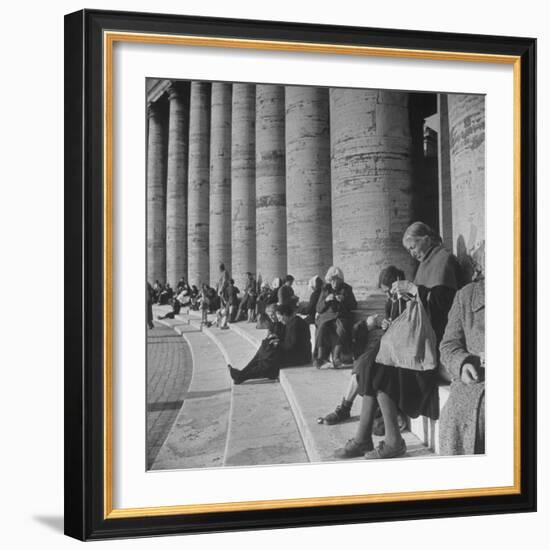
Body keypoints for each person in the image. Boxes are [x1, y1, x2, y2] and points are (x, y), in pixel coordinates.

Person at [335, 222, 461, 459]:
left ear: (427, 238)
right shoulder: (424, 264)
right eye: (409, 250)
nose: (412, 253)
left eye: (413, 247)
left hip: (431, 344)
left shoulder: (445, 260)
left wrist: (414, 290)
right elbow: (422, 300)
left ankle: (391, 441)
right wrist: (408, 294)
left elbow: (446, 305)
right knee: (372, 363)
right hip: (417, 339)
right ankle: (366, 438)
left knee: (380, 368)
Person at [319, 266, 406, 425]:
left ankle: (345, 409)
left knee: (365, 364)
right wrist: (384, 323)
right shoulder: (391, 301)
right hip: (388, 343)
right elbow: (390, 322)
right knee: (362, 363)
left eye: (389, 291)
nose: (387, 295)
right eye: (385, 292)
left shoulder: (406, 299)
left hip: (400, 348)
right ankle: (345, 407)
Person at [439, 243, 485, 455]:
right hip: (474, 383)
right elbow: (448, 345)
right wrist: (463, 363)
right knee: (454, 417)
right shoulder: (465, 296)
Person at [313, 266, 357, 368]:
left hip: (341, 316)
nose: (335, 283)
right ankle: (321, 358)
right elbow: (318, 308)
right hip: (326, 317)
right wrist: (326, 300)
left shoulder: (347, 289)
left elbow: (354, 305)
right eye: (332, 280)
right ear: (329, 280)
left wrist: (344, 300)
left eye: (337, 280)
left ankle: (337, 357)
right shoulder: (325, 289)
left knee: (341, 329)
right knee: (322, 328)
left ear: (341, 280)